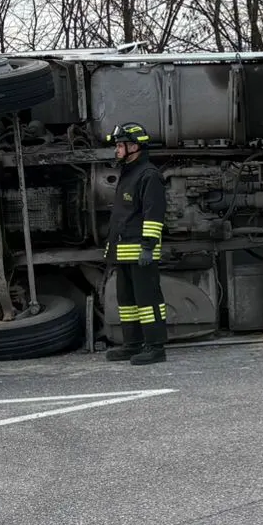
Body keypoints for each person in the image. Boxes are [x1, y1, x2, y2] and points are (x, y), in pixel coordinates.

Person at [104, 122, 167, 365]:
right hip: (123, 252)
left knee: (148, 301)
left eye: (120, 145)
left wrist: (148, 247)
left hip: (140, 251)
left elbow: (154, 214)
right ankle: (132, 344)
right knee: (127, 303)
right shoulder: (129, 173)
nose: (117, 150)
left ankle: (155, 346)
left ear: (134, 147)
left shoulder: (148, 175)